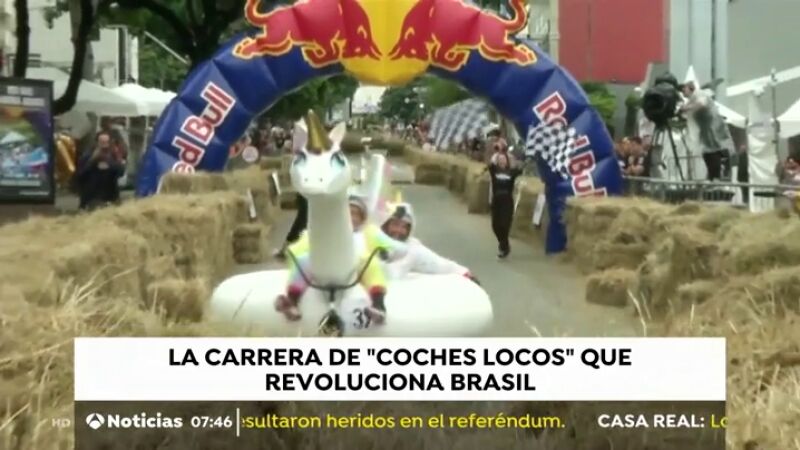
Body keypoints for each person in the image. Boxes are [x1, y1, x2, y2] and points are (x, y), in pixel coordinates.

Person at [275, 194, 404, 325]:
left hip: (358, 266)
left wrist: (387, 253)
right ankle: (292, 301)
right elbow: (297, 249)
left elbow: (396, 247)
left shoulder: (368, 233)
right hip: (325, 264)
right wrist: (291, 254)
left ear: (362, 218)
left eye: (355, 214)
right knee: (304, 261)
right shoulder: (323, 232)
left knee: (372, 264)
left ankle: (378, 305)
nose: (351, 217)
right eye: (347, 213)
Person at [380, 194, 480, 283]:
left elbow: (438, 263)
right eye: (395, 224)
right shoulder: (374, 240)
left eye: (404, 227)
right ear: (385, 224)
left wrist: (463, 272)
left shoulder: (412, 248)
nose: (399, 230)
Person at [485, 153, 522, 259]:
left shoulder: (512, 172)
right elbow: (489, 163)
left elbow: (520, 169)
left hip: (507, 201)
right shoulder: (494, 170)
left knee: (504, 225)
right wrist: (497, 152)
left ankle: (504, 248)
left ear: (507, 161)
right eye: (500, 159)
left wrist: (512, 159)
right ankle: (504, 244)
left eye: (504, 159)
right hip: (496, 201)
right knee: (495, 226)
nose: (502, 160)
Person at [75, 131, 125, 210]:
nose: (104, 146)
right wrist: (93, 163)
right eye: (102, 142)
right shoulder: (87, 156)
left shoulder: (114, 155)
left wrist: (109, 165)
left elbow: (121, 172)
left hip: (110, 197)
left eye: (106, 142)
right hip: (91, 197)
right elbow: (80, 175)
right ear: (96, 143)